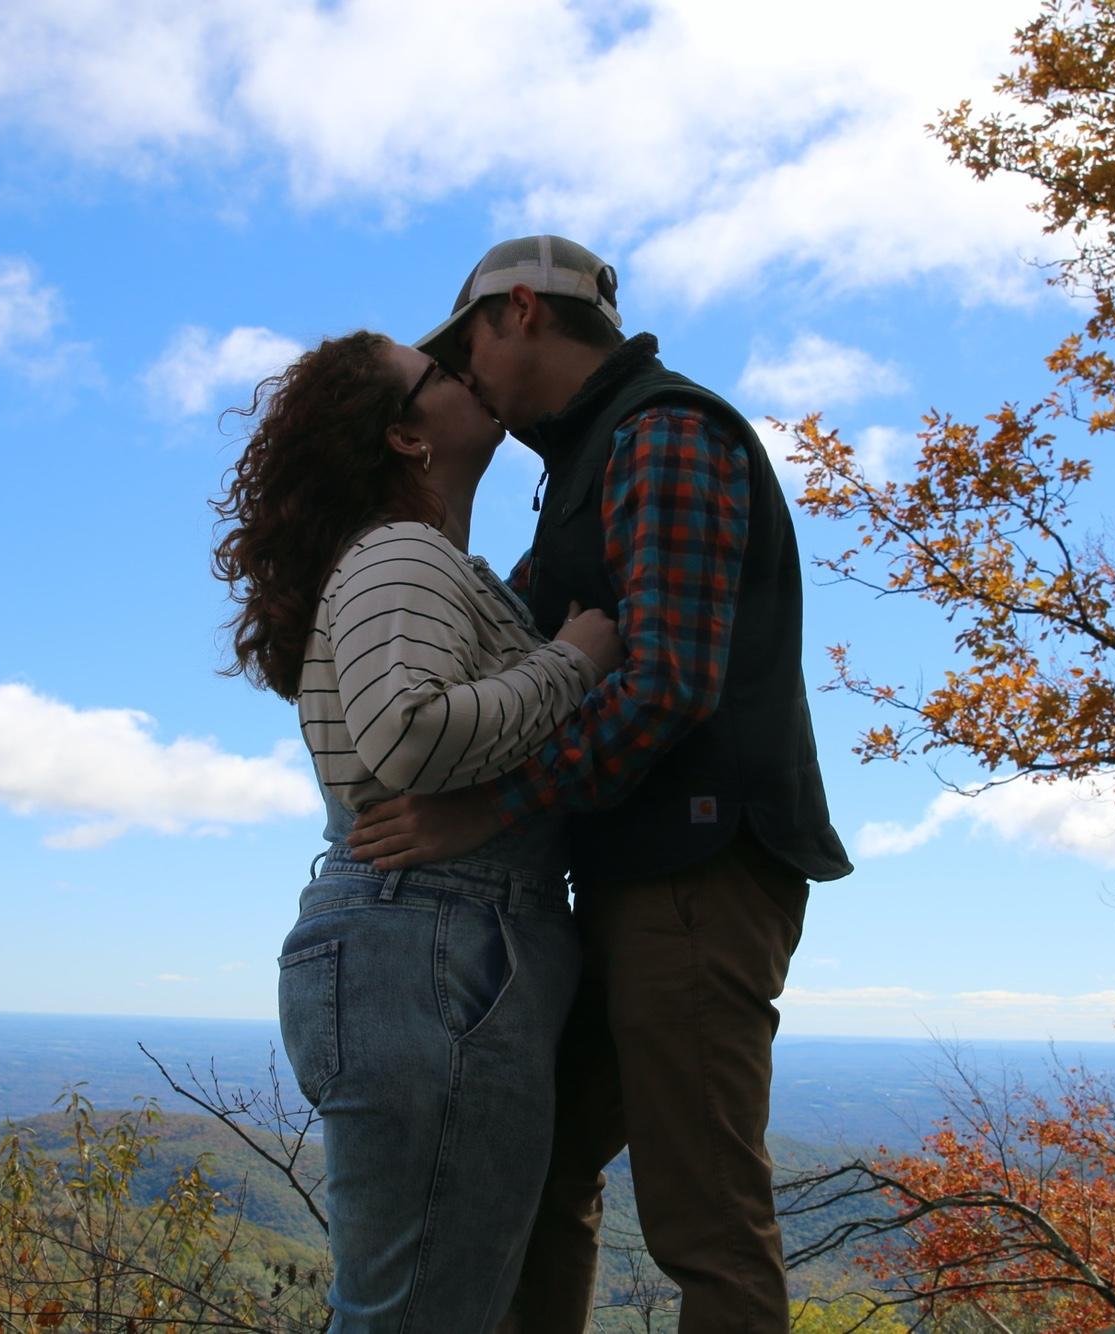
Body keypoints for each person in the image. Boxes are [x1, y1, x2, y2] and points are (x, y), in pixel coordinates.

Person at [348, 236, 854, 1333]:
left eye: (466, 343)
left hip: (698, 873)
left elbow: (667, 682)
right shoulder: (593, 460)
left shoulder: (662, 433)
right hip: (644, 880)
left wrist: (484, 810)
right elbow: (522, 643)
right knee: (540, 1165)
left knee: (703, 1223)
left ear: (520, 310)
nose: (465, 372)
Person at [210, 330, 623, 1333]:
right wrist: (573, 659)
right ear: (403, 434)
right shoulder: (401, 551)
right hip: (433, 947)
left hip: (428, 948)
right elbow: (407, 731)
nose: (470, 375)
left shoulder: (427, 563)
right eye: (440, 375)